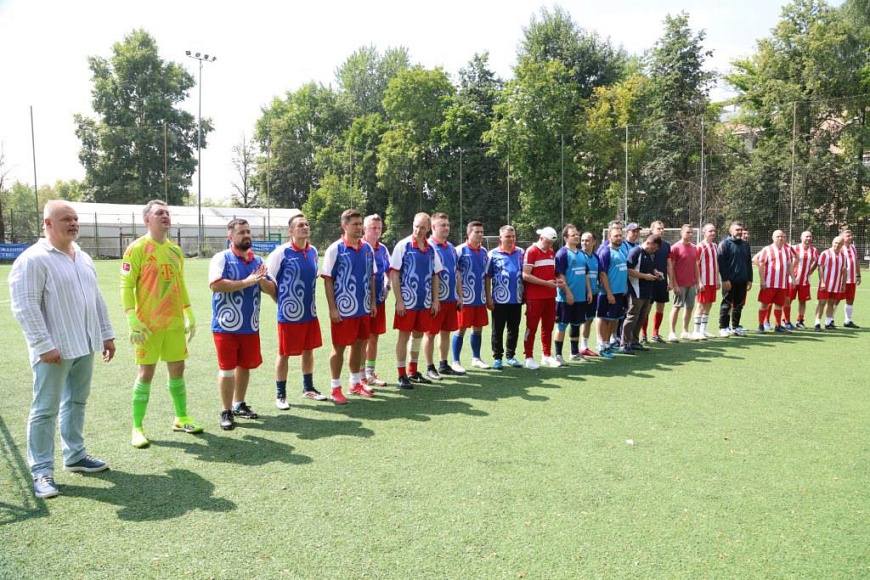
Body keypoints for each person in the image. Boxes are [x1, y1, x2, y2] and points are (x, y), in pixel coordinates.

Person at [9, 201, 116, 499]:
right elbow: (25, 306)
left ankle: (75, 455)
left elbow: (96, 298)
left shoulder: (83, 256)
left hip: (84, 343)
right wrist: (44, 345)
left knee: (77, 401)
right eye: (66, 219)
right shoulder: (33, 259)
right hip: (54, 350)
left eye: (75, 218)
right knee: (45, 409)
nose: (73, 223)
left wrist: (106, 334)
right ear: (48, 223)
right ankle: (41, 471)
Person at [121, 199, 201, 449]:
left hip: (174, 323)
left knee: (178, 370)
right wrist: (132, 318)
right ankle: (137, 427)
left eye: (167, 213)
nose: (165, 216)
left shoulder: (175, 250)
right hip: (148, 325)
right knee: (146, 373)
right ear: (147, 220)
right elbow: (126, 285)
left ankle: (181, 418)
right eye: (159, 213)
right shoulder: (136, 249)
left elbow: (180, 283)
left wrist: (189, 313)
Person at [209, 218, 277, 430]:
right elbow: (216, 285)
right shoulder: (222, 258)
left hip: (250, 326)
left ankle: (239, 404)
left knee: (245, 366)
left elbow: (272, 290)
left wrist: (261, 280)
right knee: (227, 369)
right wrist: (246, 282)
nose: (247, 235)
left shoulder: (258, 261)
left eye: (248, 232)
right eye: (241, 232)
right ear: (230, 237)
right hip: (225, 326)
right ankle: (226, 410)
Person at [266, 213, 325, 408]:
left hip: (310, 312)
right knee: (284, 353)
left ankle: (308, 388)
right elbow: (267, 281)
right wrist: (281, 302)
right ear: (290, 231)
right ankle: (280, 395)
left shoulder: (313, 251)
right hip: (288, 315)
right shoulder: (281, 253)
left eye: (306, 224)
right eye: (300, 225)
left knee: (308, 350)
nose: (305, 227)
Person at [322, 209, 377, 404]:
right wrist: (332, 308)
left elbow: (371, 277)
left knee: (359, 344)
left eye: (360, 224)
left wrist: (372, 302)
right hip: (343, 310)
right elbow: (328, 280)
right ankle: (335, 387)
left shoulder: (367, 249)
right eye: (355, 224)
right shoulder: (335, 249)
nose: (359, 227)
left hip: (363, 308)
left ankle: (355, 383)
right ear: (344, 226)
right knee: (339, 348)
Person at [391, 212, 443, 389]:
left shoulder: (431, 249)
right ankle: (401, 374)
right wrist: (399, 301)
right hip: (407, 302)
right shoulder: (403, 246)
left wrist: (435, 300)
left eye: (422, 228)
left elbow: (435, 275)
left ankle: (413, 371)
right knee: (404, 336)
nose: (418, 230)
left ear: (428, 228)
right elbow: (394, 274)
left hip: (425, 301)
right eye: (416, 226)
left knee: (418, 334)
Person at [422, 213, 463, 380]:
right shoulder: (428, 247)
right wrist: (434, 299)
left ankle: (443, 364)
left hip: (451, 299)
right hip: (435, 300)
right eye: (442, 225)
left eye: (447, 225)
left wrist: (460, 295)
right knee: (430, 333)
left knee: (446, 332)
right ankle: (429, 366)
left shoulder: (451, 247)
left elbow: (456, 272)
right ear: (433, 227)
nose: (446, 228)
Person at [451, 221, 491, 373]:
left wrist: (487, 297)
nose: (480, 235)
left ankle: (476, 358)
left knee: (478, 328)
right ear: (469, 233)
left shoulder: (484, 252)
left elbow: (486, 276)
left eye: (482, 232)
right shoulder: (459, 250)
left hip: (479, 298)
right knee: (461, 329)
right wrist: (458, 296)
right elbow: (454, 274)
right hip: (465, 299)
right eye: (477, 232)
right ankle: (455, 361)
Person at [522, 227, 564, 369]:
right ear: (541, 238)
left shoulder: (551, 252)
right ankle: (528, 357)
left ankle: (546, 355)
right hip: (534, 297)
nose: (550, 245)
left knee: (548, 327)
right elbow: (525, 275)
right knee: (532, 327)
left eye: (552, 243)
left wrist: (556, 281)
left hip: (550, 296)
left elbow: (549, 273)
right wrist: (546, 283)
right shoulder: (531, 251)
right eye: (548, 242)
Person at [487, 225, 524, 369]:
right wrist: (489, 297)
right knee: (498, 329)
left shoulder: (521, 252)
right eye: (508, 236)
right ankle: (497, 358)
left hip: (516, 298)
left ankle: (510, 356)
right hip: (499, 299)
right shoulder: (492, 254)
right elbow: (487, 277)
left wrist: (524, 294)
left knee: (514, 329)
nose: (511, 239)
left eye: (513, 236)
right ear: (501, 238)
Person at [554, 224, 592, 364]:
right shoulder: (562, 253)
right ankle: (558, 355)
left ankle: (574, 352)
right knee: (562, 325)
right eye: (573, 235)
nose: (576, 237)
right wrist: (568, 292)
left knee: (576, 324)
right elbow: (560, 275)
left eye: (577, 234)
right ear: (565, 238)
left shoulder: (581, 253)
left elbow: (586, 273)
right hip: (565, 298)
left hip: (580, 297)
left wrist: (589, 290)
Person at [622, 235, 663, 353]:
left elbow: (652, 267)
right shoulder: (635, 252)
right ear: (649, 243)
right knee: (632, 316)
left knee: (642, 317)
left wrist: (657, 273)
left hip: (647, 290)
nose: (654, 251)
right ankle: (624, 343)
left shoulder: (651, 254)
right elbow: (629, 270)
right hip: (635, 290)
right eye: (654, 248)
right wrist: (645, 276)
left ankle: (634, 341)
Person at [363, 214, 391, 387]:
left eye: (379, 228)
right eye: (373, 227)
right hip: (359, 302)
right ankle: (358, 376)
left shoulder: (383, 249)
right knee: (360, 340)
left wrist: (387, 287)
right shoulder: (360, 247)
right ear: (364, 229)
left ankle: (369, 373)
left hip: (379, 301)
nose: (377, 231)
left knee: (374, 337)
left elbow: (389, 271)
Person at [595, 225, 628, 358]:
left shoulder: (621, 250)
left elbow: (623, 270)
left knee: (612, 319)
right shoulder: (605, 252)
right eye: (616, 236)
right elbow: (602, 274)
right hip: (608, 293)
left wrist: (624, 287)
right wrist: (609, 293)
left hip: (619, 292)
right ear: (609, 237)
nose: (619, 238)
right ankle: (601, 346)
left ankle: (608, 344)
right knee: (605, 319)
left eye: (620, 235)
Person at [718, 221, 753, 336]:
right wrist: (725, 279)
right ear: (730, 231)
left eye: (741, 230)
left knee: (739, 305)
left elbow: (748, 263)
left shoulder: (745, 244)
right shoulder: (724, 244)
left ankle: (736, 327)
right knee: (726, 304)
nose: (739, 232)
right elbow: (721, 264)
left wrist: (749, 279)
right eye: (737, 230)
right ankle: (723, 327)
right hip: (729, 281)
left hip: (742, 280)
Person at [755, 230, 795, 333]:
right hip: (769, 283)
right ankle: (761, 325)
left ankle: (778, 325)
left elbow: (790, 265)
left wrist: (793, 279)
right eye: (778, 236)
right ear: (773, 238)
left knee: (779, 305)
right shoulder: (767, 249)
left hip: (782, 284)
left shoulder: (787, 250)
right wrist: (762, 280)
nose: (780, 238)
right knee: (764, 304)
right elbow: (761, 265)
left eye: (782, 236)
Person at [667, 224, 701, 342]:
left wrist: (698, 282)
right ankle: (672, 332)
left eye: (691, 232)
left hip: (691, 283)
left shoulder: (694, 247)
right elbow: (671, 267)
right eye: (687, 232)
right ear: (681, 233)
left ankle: (685, 331)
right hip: (680, 284)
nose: (690, 234)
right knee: (676, 307)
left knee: (690, 307)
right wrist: (674, 284)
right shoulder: (675, 248)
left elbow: (696, 266)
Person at [642, 220, 671, 343]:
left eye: (662, 228)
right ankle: (643, 335)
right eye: (659, 228)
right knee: (646, 308)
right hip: (649, 281)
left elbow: (669, 264)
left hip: (662, 281)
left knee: (661, 307)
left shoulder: (667, 245)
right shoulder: (646, 245)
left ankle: (655, 333)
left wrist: (671, 281)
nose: (661, 230)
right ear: (652, 230)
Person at [815, 236, 847, 331]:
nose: (837, 245)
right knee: (822, 302)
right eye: (836, 242)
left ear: (842, 245)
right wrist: (822, 281)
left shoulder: (843, 256)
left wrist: (843, 284)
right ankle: (817, 323)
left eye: (840, 243)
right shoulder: (825, 253)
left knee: (831, 303)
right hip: (825, 284)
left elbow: (844, 270)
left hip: (836, 284)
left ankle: (828, 323)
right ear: (832, 242)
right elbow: (820, 268)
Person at [694, 223, 720, 339]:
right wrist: (699, 282)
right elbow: (696, 265)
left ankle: (703, 330)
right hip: (703, 281)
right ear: (704, 232)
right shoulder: (700, 247)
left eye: (714, 231)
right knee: (701, 305)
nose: (713, 233)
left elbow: (716, 264)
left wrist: (717, 279)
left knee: (709, 305)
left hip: (712, 281)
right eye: (710, 231)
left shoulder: (715, 246)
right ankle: (696, 331)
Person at [578, 231, 601, 358]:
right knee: (577, 321)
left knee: (589, 319)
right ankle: (574, 349)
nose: (584, 243)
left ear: (593, 242)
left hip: (593, 293)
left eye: (587, 240)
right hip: (580, 294)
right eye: (582, 240)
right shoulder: (579, 256)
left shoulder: (596, 257)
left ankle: (584, 347)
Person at [790, 231, 818, 329]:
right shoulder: (794, 248)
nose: (808, 238)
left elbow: (816, 261)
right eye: (806, 236)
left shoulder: (813, 250)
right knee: (788, 300)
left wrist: (811, 271)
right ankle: (786, 321)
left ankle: (800, 321)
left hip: (805, 281)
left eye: (810, 237)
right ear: (801, 238)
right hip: (792, 280)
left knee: (802, 301)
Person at [841, 229, 862, 328]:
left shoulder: (853, 247)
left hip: (852, 279)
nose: (850, 237)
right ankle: (830, 320)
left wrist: (858, 275)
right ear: (842, 237)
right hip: (841, 279)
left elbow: (856, 261)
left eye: (851, 235)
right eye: (848, 236)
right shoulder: (840, 247)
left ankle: (848, 321)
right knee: (836, 299)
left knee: (850, 299)